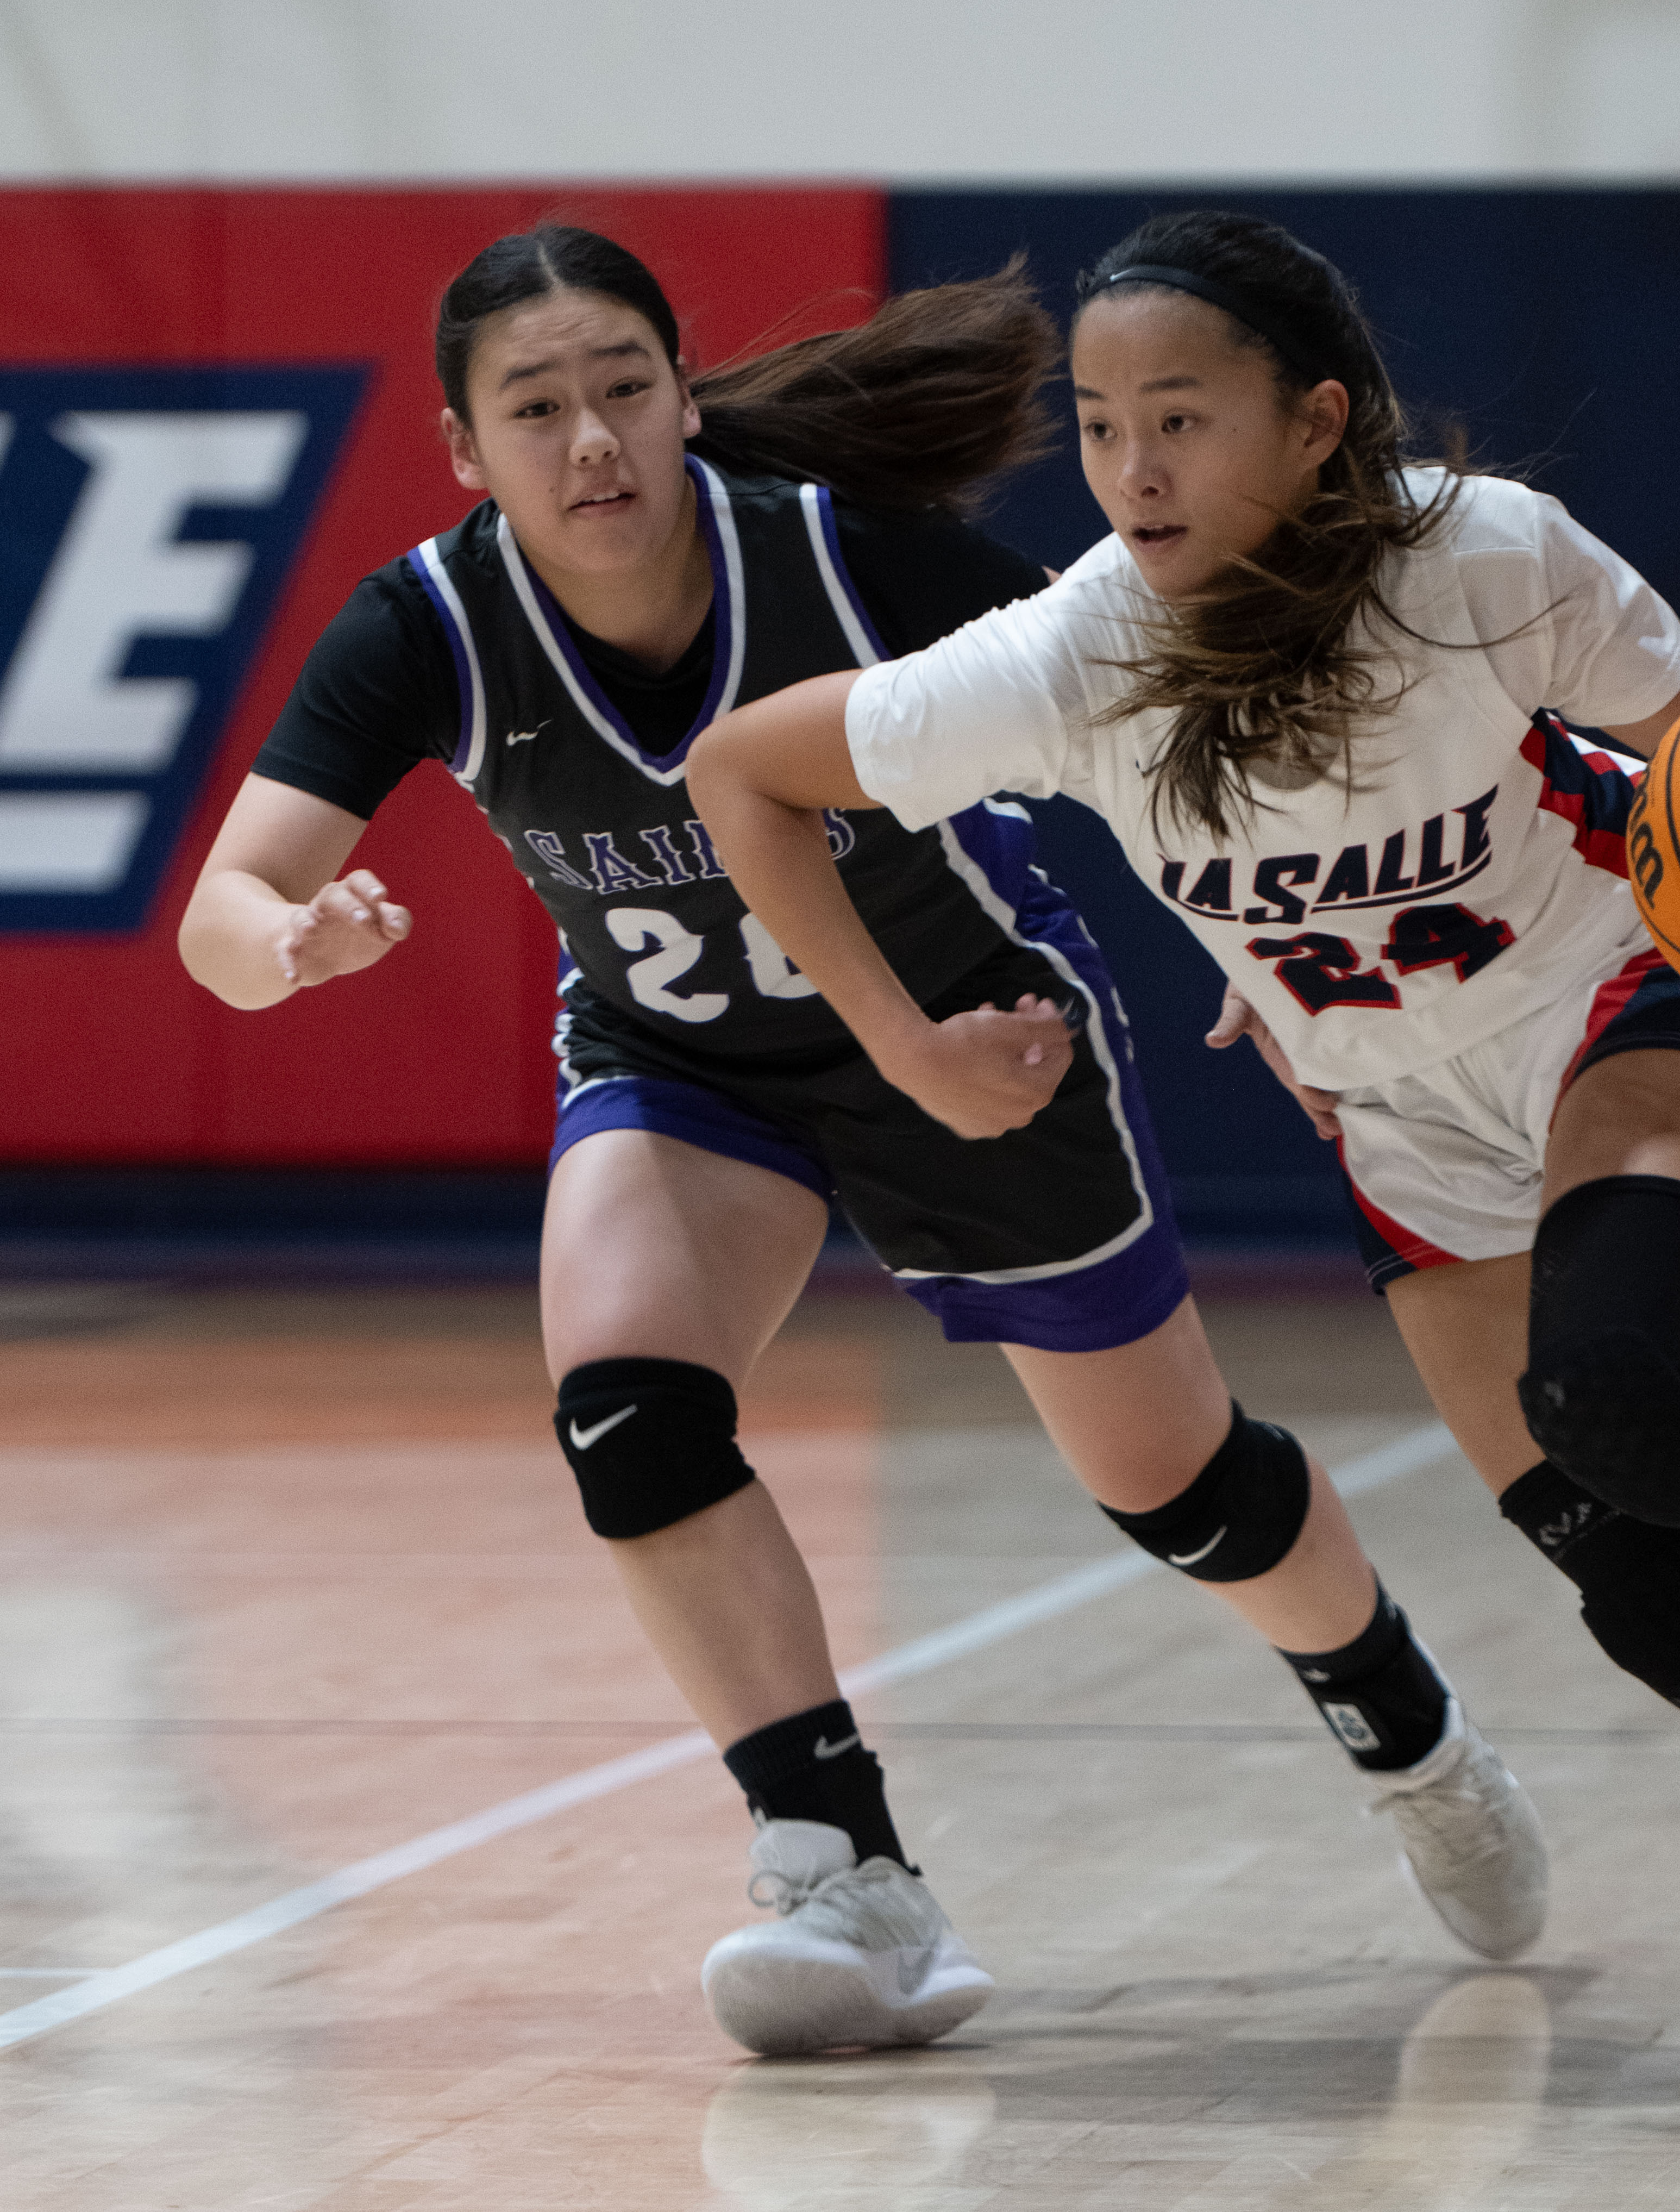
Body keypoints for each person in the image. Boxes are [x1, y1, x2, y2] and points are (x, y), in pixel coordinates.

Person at [686, 208, 1680, 2054]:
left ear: (1315, 422)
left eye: (1182, 416)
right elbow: (745, 771)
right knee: (1667, 1614)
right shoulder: (1071, 657)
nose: (1133, 465)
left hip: (1626, 1004)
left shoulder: (1488, 561)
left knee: (1619, 1386)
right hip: (1407, 1131)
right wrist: (906, 1045)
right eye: (1105, 422)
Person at [176, 224, 1549, 2060]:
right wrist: (291, 941)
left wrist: (1275, 956)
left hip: (971, 1041)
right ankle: (841, 1869)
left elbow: (1148, 723)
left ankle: (1401, 1722)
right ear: (462, 448)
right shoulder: (422, 624)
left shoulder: (842, 550)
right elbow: (226, 907)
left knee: (1183, 1494)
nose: (591, 443)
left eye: (623, 392)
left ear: (680, 397)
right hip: (687, 1074)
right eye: (537, 410)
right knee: (629, 1416)